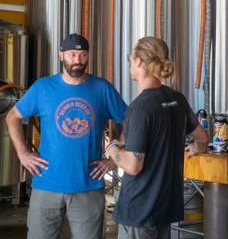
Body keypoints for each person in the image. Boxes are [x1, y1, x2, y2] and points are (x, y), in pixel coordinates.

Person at [5, 34, 127, 239]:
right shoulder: (43, 88)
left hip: (88, 186)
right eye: (72, 54)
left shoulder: (102, 88)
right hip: (47, 184)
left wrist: (115, 159)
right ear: (61, 55)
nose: (77, 60)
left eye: (83, 54)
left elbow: (131, 121)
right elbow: (12, 116)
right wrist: (23, 153)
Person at [105, 37, 208, 239]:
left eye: (130, 58)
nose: (130, 64)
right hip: (166, 205)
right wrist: (197, 148)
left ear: (140, 62)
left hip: (139, 210)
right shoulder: (177, 99)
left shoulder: (141, 107)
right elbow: (202, 137)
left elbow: (134, 165)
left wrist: (112, 149)